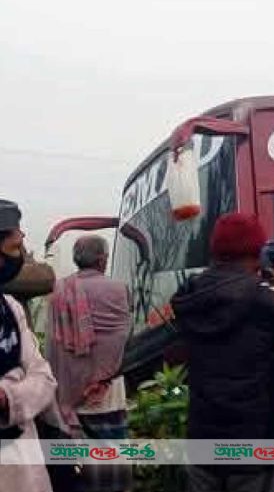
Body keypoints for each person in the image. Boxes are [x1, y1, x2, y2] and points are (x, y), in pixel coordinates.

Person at [171, 213, 274, 492]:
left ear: (215, 250)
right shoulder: (263, 297)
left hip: (203, 442)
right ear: (258, 252)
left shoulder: (189, 295)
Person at [45, 235, 132, 492]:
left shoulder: (58, 292)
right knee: (111, 467)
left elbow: (53, 344)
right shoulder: (118, 289)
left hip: (67, 395)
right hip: (107, 394)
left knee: (76, 471)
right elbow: (123, 339)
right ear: (103, 259)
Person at [0, 200, 58, 492]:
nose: (16, 258)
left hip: (21, 464)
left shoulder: (10, 308)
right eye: (12, 249)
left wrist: (8, 398)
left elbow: (44, 379)